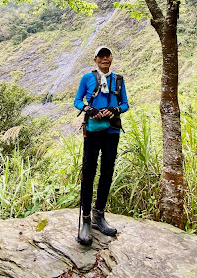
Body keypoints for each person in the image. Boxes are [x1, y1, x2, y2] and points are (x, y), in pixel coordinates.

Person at [73, 45, 129, 246]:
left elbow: (125, 104)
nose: (105, 59)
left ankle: (99, 215)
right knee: (88, 171)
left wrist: (115, 109)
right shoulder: (87, 78)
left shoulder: (118, 80)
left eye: (108, 55)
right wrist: (88, 109)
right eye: (101, 56)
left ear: (111, 59)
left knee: (107, 171)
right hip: (93, 130)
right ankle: (86, 220)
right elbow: (77, 101)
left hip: (112, 130)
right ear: (95, 59)